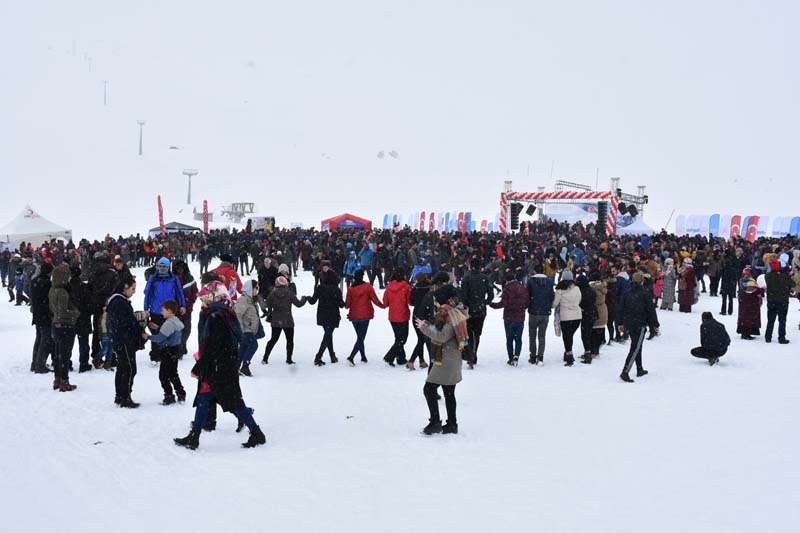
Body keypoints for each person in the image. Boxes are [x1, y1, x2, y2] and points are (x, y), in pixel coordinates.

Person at [174, 281, 266, 450]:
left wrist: (201, 365)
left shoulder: (217, 316)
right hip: (221, 366)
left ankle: (257, 433)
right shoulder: (222, 312)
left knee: (233, 402)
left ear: (213, 297)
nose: (202, 302)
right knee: (206, 398)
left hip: (219, 367)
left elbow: (215, 346)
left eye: (204, 299)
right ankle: (194, 436)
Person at [415, 303, 468, 435]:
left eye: (439, 308)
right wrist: (427, 324)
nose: (437, 310)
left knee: (429, 389)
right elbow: (440, 329)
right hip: (451, 359)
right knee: (449, 392)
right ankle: (451, 424)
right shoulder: (453, 315)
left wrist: (424, 328)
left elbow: (442, 336)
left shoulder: (451, 319)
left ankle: (435, 422)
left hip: (446, 361)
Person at [107, 276, 147, 408]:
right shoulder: (119, 302)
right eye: (132, 289)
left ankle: (120, 395)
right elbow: (124, 323)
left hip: (121, 339)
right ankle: (125, 396)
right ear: (125, 288)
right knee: (129, 369)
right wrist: (138, 324)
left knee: (122, 368)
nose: (134, 292)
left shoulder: (119, 300)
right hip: (123, 340)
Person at [618, 271, 660, 383]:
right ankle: (625, 371)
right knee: (635, 347)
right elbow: (651, 311)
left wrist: (620, 322)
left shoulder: (627, 293)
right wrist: (655, 324)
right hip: (640, 323)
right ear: (642, 281)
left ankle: (639, 368)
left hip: (629, 323)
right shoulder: (645, 294)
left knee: (637, 345)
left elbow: (621, 309)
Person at [143, 258, 187, 364]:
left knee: (169, 333)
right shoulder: (153, 279)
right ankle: (155, 356)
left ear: (168, 267)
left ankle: (167, 354)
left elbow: (179, 292)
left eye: (164, 266)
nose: (162, 269)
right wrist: (146, 308)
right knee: (156, 332)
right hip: (156, 310)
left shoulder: (174, 278)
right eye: (160, 266)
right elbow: (147, 294)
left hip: (170, 311)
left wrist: (182, 305)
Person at [145, 299, 186, 404]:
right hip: (175, 350)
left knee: (163, 375)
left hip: (167, 351)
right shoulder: (175, 321)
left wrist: (148, 337)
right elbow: (170, 333)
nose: (161, 312)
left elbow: (160, 338)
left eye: (163, 310)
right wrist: (158, 328)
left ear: (169, 311)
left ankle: (169, 396)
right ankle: (181, 393)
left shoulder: (168, 323)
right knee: (173, 373)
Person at [344, 269, 386, 365]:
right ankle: (351, 357)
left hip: (354, 315)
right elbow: (375, 299)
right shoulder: (367, 287)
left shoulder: (351, 289)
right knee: (361, 337)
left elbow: (347, 305)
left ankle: (363, 356)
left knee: (360, 336)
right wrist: (383, 305)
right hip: (365, 314)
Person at [306, 264, 345, 366]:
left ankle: (332, 355)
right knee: (327, 335)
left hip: (322, 314)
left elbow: (313, 301)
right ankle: (318, 356)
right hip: (333, 315)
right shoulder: (336, 290)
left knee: (328, 335)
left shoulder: (320, 288)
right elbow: (341, 305)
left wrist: (308, 298)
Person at [49, 264, 80, 392]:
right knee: (65, 354)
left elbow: (53, 310)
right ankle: (64, 381)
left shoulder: (52, 290)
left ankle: (57, 378)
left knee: (57, 353)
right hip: (66, 325)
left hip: (56, 324)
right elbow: (63, 312)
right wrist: (76, 313)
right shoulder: (62, 292)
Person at [261, 275, 306, 364]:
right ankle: (289, 359)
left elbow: (266, 305)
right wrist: (304, 298)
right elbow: (299, 304)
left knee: (273, 339)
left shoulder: (272, 293)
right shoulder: (289, 293)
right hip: (287, 319)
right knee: (289, 340)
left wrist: (270, 310)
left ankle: (265, 358)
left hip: (276, 320)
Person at [459, 258, 493, 368]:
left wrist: (464, 304)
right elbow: (491, 294)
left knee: (467, 333)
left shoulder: (466, 278)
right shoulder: (485, 278)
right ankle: (474, 354)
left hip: (469, 309)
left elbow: (462, 295)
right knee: (477, 334)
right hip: (481, 309)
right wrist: (485, 302)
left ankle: (468, 354)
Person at [489, 269, 528, 365]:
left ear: (506, 280)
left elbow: (503, 303)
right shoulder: (522, 287)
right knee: (518, 338)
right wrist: (521, 308)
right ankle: (517, 355)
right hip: (520, 317)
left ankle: (511, 357)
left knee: (509, 338)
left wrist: (493, 305)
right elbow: (527, 302)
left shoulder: (507, 289)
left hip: (509, 317)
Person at [382, 269, 412, 367]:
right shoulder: (406, 286)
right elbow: (410, 302)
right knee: (403, 338)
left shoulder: (389, 286)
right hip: (403, 315)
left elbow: (385, 303)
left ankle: (401, 358)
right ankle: (390, 356)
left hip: (392, 315)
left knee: (398, 338)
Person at [525, 264, 554, 364]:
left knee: (532, 335)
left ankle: (533, 356)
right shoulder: (549, 282)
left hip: (533, 311)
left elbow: (527, 296)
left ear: (534, 271)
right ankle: (540, 356)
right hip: (545, 312)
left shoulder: (531, 282)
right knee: (542, 336)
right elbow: (551, 296)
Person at [552, 269, 582, 366]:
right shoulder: (577, 288)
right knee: (570, 335)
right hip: (577, 316)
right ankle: (567, 353)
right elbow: (579, 300)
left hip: (566, 317)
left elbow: (555, 303)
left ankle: (569, 356)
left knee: (567, 336)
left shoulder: (560, 289)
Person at [30, 263, 54, 373]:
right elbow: (49, 301)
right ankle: (40, 364)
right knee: (46, 340)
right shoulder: (48, 284)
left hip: (37, 313)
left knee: (39, 338)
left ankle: (35, 362)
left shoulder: (35, 281)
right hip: (45, 315)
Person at [172, 260, 198, 358]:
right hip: (175, 309)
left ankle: (183, 344)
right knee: (177, 330)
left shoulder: (189, 278)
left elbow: (195, 291)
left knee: (187, 329)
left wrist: (190, 302)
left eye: (182, 268)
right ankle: (179, 348)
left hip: (187, 308)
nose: (180, 270)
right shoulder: (172, 279)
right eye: (178, 268)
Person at [764, 259, 793, 344]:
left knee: (770, 320)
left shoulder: (767, 276)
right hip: (783, 301)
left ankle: (768, 337)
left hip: (771, 301)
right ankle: (781, 337)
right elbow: (792, 284)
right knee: (782, 320)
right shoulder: (785, 276)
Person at [235, 280, 261, 376]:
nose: (257, 290)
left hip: (249, 329)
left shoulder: (251, 299)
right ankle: (245, 366)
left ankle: (236, 367)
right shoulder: (243, 299)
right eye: (256, 288)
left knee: (243, 348)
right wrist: (240, 330)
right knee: (253, 345)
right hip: (245, 330)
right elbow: (238, 314)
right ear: (250, 288)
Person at [408, 272, 432, 370]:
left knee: (420, 338)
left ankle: (421, 360)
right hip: (426, 315)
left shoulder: (415, 289)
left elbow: (412, 302)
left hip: (416, 315)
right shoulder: (429, 288)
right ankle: (412, 360)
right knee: (423, 340)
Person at [737, 267, 762, 340]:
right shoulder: (750, 281)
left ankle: (743, 332)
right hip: (750, 303)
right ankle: (746, 333)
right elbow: (751, 292)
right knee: (749, 318)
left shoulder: (742, 280)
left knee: (743, 317)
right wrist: (760, 291)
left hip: (743, 302)